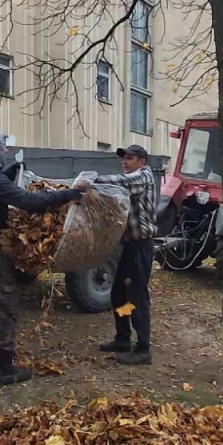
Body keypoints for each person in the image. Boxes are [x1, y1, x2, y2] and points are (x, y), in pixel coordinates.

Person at [0, 128, 81, 386]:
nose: (5, 150)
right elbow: (27, 201)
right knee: (7, 308)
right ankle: (6, 370)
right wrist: (68, 194)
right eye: (1, 146)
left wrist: (10, 172)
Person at [78, 144, 158, 365]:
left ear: (142, 161)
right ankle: (123, 338)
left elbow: (123, 182)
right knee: (119, 295)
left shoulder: (143, 177)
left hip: (141, 246)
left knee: (137, 298)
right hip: (130, 246)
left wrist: (92, 181)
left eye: (130, 158)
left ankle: (143, 349)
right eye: (124, 159)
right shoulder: (135, 177)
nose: (125, 162)